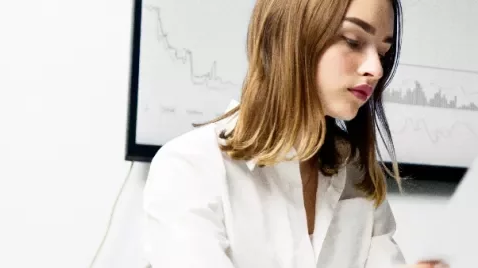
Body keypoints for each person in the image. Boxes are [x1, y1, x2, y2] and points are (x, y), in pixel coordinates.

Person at [142, 0, 447, 267]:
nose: (376, 69)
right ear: (293, 37)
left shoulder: (357, 175)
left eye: (383, 52)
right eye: (354, 41)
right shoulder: (188, 168)